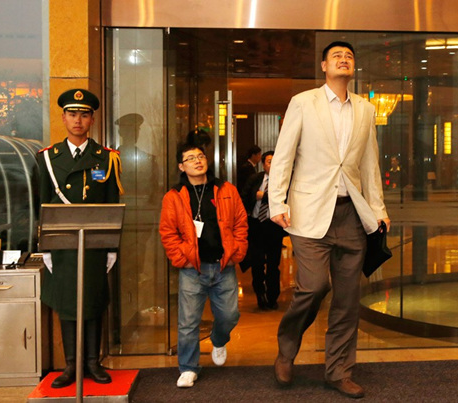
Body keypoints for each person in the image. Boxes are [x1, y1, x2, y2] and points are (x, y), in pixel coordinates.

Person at [268, 41, 390, 399]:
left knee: (348, 300)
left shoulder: (365, 109)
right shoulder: (303, 102)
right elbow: (284, 155)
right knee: (314, 287)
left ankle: (339, 371)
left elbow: (369, 163)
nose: (343, 59)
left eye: (349, 56)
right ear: (324, 65)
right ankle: (287, 349)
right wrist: (277, 202)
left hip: (351, 215)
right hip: (308, 212)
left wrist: (378, 209)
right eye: (337, 55)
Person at [37, 88, 123, 388]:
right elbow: (42, 204)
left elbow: (112, 205)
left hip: (95, 244)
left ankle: (92, 362)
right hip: (63, 244)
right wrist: (45, 246)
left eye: (84, 115)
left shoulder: (106, 158)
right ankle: (71, 365)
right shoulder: (48, 158)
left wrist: (112, 247)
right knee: (67, 303)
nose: (78, 120)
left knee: (93, 301)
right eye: (72, 114)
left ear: (92, 120)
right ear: (63, 118)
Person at [159, 134, 248, 388]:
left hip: (223, 266)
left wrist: (236, 252)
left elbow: (241, 223)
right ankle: (188, 368)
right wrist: (181, 259)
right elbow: (168, 232)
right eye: (190, 158)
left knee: (230, 316)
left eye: (200, 156)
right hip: (192, 269)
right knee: (188, 322)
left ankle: (218, 340)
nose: (197, 161)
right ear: (181, 166)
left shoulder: (226, 189)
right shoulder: (174, 196)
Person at [241, 151, 285, 310]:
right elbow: (243, 197)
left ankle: (273, 296)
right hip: (256, 226)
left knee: (273, 264)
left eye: (275, 161)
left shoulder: (283, 181)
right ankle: (260, 294)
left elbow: (285, 200)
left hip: (273, 227)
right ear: (263, 164)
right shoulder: (255, 179)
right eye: (269, 162)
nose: (272, 165)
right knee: (257, 263)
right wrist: (255, 196)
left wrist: (264, 196)